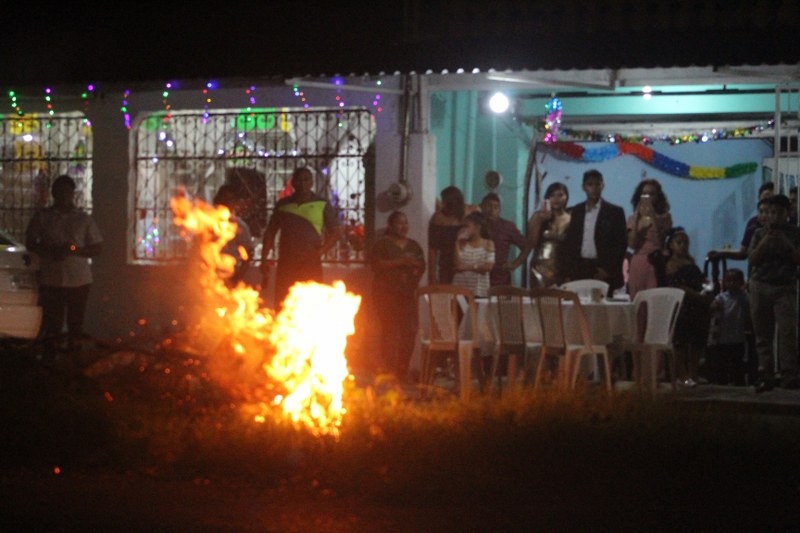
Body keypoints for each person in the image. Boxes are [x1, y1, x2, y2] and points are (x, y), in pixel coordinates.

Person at [25, 174, 103, 353]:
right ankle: (51, 359)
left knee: (76, 323)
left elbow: (97, 248)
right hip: (51, 279)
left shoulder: (83, 219)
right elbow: (30, 242)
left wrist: (74, 251)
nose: (63, 196)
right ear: (53, 193)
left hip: (79, 279)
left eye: (66, 192)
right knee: (53, 323)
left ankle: (74, 359)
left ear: (72, 194)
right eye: (59, 192)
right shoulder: (43, 217)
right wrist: (49, 251)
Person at [260, 167, 342, 308]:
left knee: (311, 304)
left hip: (310, 262)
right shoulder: (282, 205)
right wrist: (264, 258)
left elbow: (336, 231)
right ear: (293, 183)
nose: (302, 183)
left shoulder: (322, 204)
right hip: (286, 262)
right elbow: (270, 232)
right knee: (284, 301)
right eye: (299, 180)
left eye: (306, 180)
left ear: (311, 182)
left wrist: (321, 252)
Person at [747, 194, 800, 392]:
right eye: (770, 212)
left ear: (787, 214)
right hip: (760, 285)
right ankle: (765, 374)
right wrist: (765, 242)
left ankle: (789, 375)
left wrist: (786, 243)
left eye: (779, 212)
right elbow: (752, 259)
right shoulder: (758, 233)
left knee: (787, 332)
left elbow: (797, 259)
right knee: (762, 333)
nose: (774, 216)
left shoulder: (795, 233)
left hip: (785, 287)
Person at [369, 211, 426, 379]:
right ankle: (388, 369)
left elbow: (421, 266)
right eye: (399, 223)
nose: (403, 227)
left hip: (407, 294)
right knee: (389, 331)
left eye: (406, 223)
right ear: (391, 225)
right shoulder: (382, 245)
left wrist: (414, 268)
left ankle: (402, 369)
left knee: (410, 330)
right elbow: (376, 265)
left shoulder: (414, 246)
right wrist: (400, 262)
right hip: (386, 294)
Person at [559, 169, 627, 296]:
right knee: (578, 307)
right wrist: (568, 272)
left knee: (601, 308)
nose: (594, 188)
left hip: (602, 268)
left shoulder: (614, 212)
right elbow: (571, 242)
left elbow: (620, 244)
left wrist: (607, 270)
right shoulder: (577, 211)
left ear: (603, 186)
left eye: (597, 184)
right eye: (590, 184)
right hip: (579, 268)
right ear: (584, 187)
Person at [662, 227, 713, 387]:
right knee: (681, 342)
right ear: (670, 245)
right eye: (679, 242)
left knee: (696, 342)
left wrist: (707, 287)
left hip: (698, 307)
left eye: (686, 243)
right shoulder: (671, 265)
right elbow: (679, 286)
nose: (683, 246)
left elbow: (701, 280)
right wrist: (697, 296)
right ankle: (682, 375)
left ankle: (693, 373)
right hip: (684, 307)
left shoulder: (690, 262)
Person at [626, 178, 672, 299]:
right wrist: (637, 218)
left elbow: (660, 240)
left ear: (658, 196)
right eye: (644, 194)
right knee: (637, 298)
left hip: (655, 261)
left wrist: (652, 215)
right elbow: (631, 244)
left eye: (652, 194)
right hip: (638, 261)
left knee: (653, 299)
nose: (648, 197)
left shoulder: (665, 217)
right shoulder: (632, 219)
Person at [708, 181, 774, 263]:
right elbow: (743, 254)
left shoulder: (782, 226)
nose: (767, 203)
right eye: (765, 199)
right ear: (759, 198)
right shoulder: (753, 224)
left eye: (771, 200)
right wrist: (722, 253)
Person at [706, 268, 750, 386]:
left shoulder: (744, 297)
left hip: (738, 338)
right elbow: (711, 308)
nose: (732, 283)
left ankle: (739, 385)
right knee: (722, 365)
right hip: (722, 338)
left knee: (738, 364)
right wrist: (714, 306)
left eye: (735, 280)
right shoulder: (721, 297)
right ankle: (721, 384)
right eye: (729, 280)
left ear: (741, 282)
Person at [480, 192, 531, 287]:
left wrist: (515, 264)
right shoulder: (476, 225)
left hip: (499, 277)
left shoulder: (507, 227)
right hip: (478, 275)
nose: (491, 210)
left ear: (499, 210)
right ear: (481, 207)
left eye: (496, 207)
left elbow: (527, 246)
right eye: (488, 206)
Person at [527, 181, 571, 287]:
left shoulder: (571, 219)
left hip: (560, 267)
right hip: (540, 267)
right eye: (552, 195)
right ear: (547, 198)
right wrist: (539, 220)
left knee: (560, 299)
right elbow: (531, 242)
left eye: (560, 195)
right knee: (539, 300)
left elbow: (572, 247)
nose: (556, 199)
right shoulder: (539, 216)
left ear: (566, 197)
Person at [213, 184, 254, 287]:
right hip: (209, 275)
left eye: (229, 200)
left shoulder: (239, 226)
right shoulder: (208, 223)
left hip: (230, 276)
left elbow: (249, 253)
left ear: (235, 204)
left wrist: (238, 277)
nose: (226, 203)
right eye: (223, 200)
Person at [428, 185, 466, 285]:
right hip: (445, 264)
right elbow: (433, 249)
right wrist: (432, 275)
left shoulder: (466, 215)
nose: (443, 204)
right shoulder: (438, 218)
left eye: (445, 201)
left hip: (465, 262)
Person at [452, 211, 495, 298]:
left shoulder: (488, 243)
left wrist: (467, 267)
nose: (464, 229)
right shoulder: (461, 244)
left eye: (467, 226)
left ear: (477, 228)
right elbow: (457, 265)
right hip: (459, 289)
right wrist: (456, 241)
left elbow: (488, 267)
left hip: (479, 290)